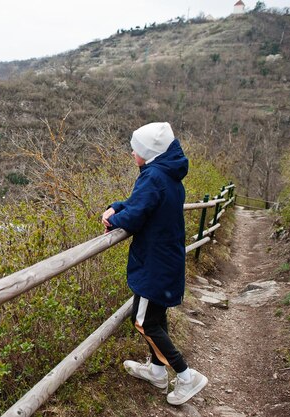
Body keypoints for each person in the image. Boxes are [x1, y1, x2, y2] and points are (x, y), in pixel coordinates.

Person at [101, 122, 207, 406]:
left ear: (147, 153)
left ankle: (186, 375)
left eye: (135, 148)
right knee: (155, 318)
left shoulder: (153, 178)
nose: (131, 152)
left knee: (144, 321)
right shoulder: (165, 175)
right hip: (163, 260)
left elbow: (136, 216)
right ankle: (158, 371)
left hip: (154, 264)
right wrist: (118, 205)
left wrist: (112, 219)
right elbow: (140, 203)